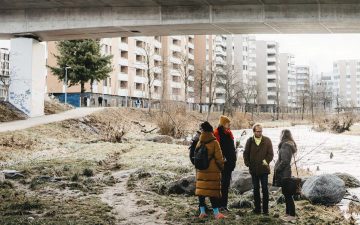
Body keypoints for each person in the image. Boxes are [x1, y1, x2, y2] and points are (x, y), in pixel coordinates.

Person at [195, 121, 225, 220]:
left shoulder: (200, 141)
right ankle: (217, 214)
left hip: (201, 171)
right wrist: (221, 167)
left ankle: (202, 212)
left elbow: (195, 156)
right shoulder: (214, 142)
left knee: (202, 191)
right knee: (213, 192)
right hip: (212, 171)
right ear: (211, 131)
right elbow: (219, 158)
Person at [243, 123, 274, 215]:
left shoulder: (267, 140)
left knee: (265, 189)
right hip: (254, 170)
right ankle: (257, 209)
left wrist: (266, 161)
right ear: (254, 131)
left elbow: (271, 154)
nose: (260, 133)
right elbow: (245, 154)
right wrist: (248, 164)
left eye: (261, 131)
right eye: (258, 131)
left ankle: (265, 210)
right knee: (256, 189)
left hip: (264, 170)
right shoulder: (249, 141)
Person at [273, 129, 298, 222]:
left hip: (284, 173)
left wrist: (277, 168)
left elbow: (285, 161)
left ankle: (292, 215)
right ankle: (288, 213)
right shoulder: (288, 144)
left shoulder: (285, 145)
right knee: (286, 193)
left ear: (283, 135)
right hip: (286, 173)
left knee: (288, 195)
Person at [213, 115, 237, 212]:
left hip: (229, 163)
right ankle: (218, 205)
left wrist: (233, 159)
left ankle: (224, 205)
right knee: (219, 185)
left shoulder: (229, 133)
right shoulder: (216, 133)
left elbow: (231, 148)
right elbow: (216, 148)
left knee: (226, 185)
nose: (229, 125)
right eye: (228, 123)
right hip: (220, 163)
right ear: (223, 124)